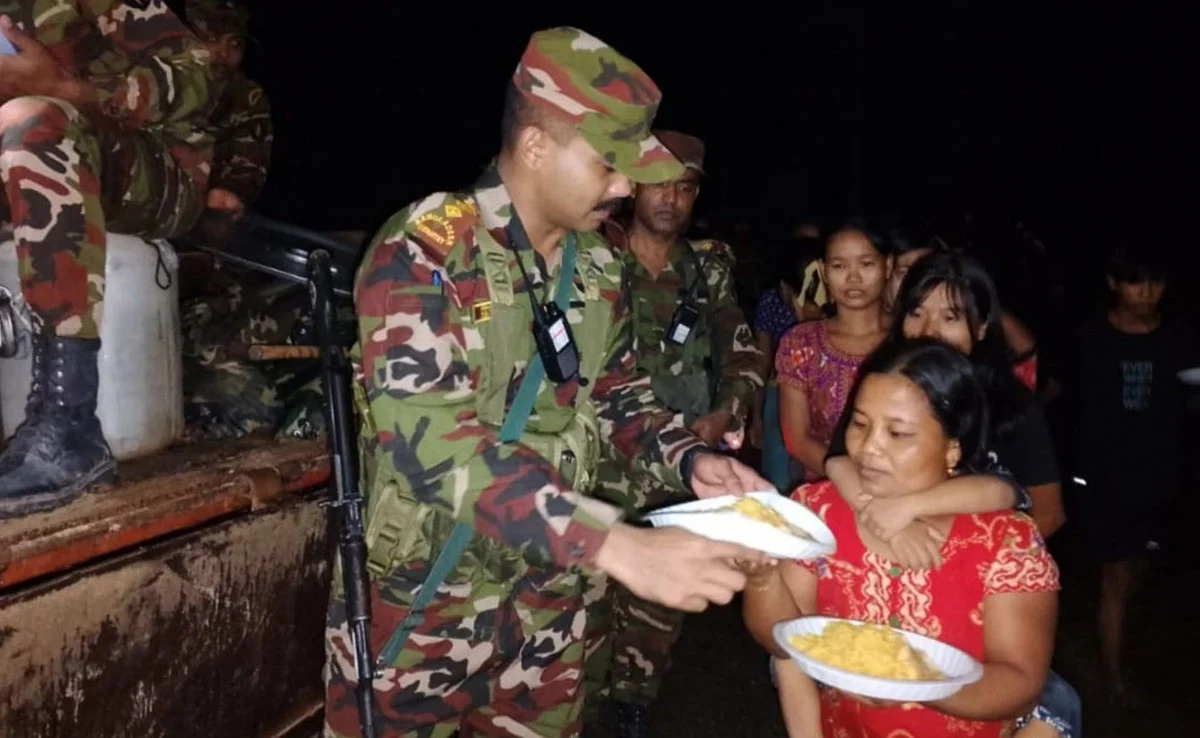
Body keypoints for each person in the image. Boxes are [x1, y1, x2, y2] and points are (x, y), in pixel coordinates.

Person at [322, 27, 776, 738]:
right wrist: (617, 546)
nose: (626, 186)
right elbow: (433, 444)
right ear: (535, 148)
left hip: (552, 609)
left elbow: (618, 396)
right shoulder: (426, 249)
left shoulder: (596, 267)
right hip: (430, 601)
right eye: (609, 165)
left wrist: (692, 460)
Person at [743, 337, 1061, 738]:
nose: (869, 448)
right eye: (859, 424)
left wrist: (914, 684)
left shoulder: (1006, 541)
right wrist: (761, 578)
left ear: (952, 448)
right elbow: (783, 640)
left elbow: (1019, 680)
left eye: (897, 433)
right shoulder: (817, 510)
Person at [822, 251, 1076, 737]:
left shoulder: (1014, 410)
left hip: (983, 607)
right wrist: (884, 522)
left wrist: (962, 570)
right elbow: (838, 462)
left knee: (1058, 705)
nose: (930, 329)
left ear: (981, 328)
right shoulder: (887, 391)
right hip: (885, 589)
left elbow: (1027, 502)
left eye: (951, 315)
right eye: (916, 312)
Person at [0, 1, 218, 516]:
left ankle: (70, 422)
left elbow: (200, 74)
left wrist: (69, 90)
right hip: (33, 159)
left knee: (32, 119)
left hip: (158, 167)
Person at [584, 129, 765, 737]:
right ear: (633, 185)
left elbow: (742, 354)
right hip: (602, 459)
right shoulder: (594, 258)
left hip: (682, 461)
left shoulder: (706, 268)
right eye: (659, 182)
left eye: (685, 187)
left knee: (660, 604)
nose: (671, 199)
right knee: (589, 586)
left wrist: (725, 414)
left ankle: (634, 702)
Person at [1072, 246, 1197, 706]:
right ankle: (1112, 676)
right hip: (1106, 481)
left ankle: (1118, 653)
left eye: (1155, 282)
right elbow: (1068, 404)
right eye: (1133, 282)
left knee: (1139, 570)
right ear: (1112, 283)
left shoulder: (1181, 337)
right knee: (1116, 578)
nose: (1145, 293)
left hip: (1161, 478)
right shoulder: (1090, 337)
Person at [775, 218, 891, 482]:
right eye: (839, 266)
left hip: (903, 494)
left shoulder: (908, 339)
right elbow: (797, 438)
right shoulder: (801, 342)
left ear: (889, 266)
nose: (853, 277)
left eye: (866, 264)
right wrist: (852, 480)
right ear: (825, 272)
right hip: (824, 489)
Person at [750, 232, 825, 490]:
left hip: (816, 398)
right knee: (779, 479)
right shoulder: (773, 302)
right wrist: (757, 415)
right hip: (778, 396)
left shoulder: (837, 312)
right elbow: (762, 360)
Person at [184, 0, 272, 217]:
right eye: (211, 39)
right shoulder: (149, 77)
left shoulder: (244, 95)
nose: (223, 53)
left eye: (234, 44)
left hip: (197, 211)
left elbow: (248, 160)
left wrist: (231, 190)